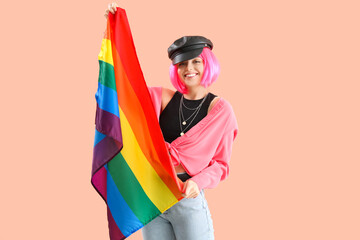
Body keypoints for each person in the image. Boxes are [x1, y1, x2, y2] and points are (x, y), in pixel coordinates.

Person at [104, 3, 238, 240]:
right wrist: (114, 31)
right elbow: (124, 91)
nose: (189, 68)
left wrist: (197, 182)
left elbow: (221, 165)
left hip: (187, 199)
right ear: (175, 69)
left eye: (196, 61)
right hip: (154, 198)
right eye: (182, 63)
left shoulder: (221, 111)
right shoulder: (160, 98)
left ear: (208, 64)